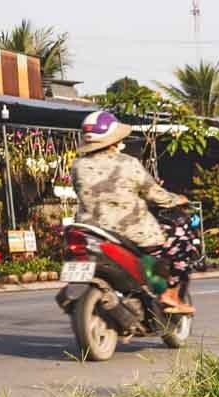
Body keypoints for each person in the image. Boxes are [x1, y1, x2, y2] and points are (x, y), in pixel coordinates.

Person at [71, 109, 194, 315]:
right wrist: (177, 199)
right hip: (132, 231)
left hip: (91, 229)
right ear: (114, 139)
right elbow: (154, 193)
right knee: (182, 240)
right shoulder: (128, 163)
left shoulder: (77, 166)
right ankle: (170, 295)